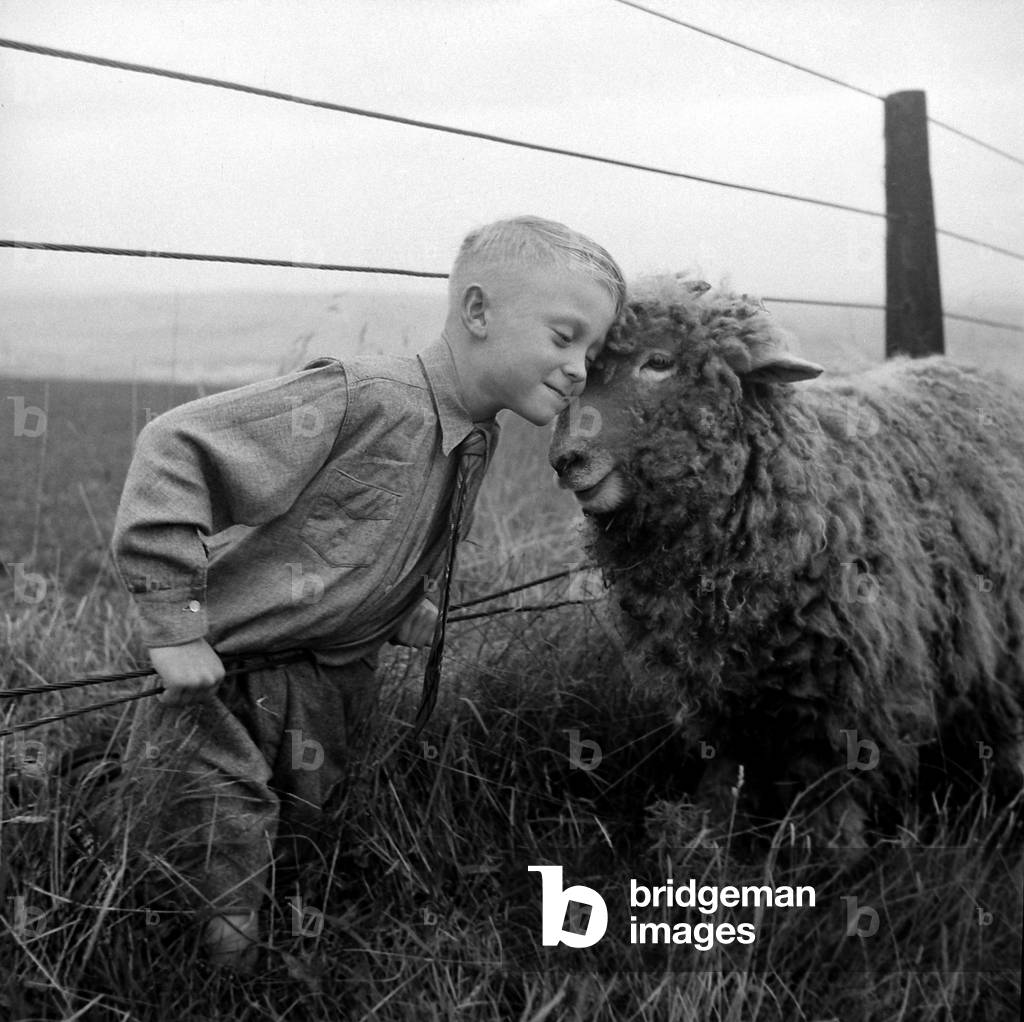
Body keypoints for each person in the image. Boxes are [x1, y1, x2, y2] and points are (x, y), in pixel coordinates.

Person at [111, 214, 624, 969]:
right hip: (229, 676)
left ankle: (285, 969)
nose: (578, 368)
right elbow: (175, 445)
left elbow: (378, 530)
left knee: (304, 838)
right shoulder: (365, 398)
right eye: (563, 337)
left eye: (592, 353)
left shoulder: (476, 433)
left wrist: (402, 603)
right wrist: (176, 623)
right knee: (220, 848)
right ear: (478, 311)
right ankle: (208, 985)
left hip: (333, 682)